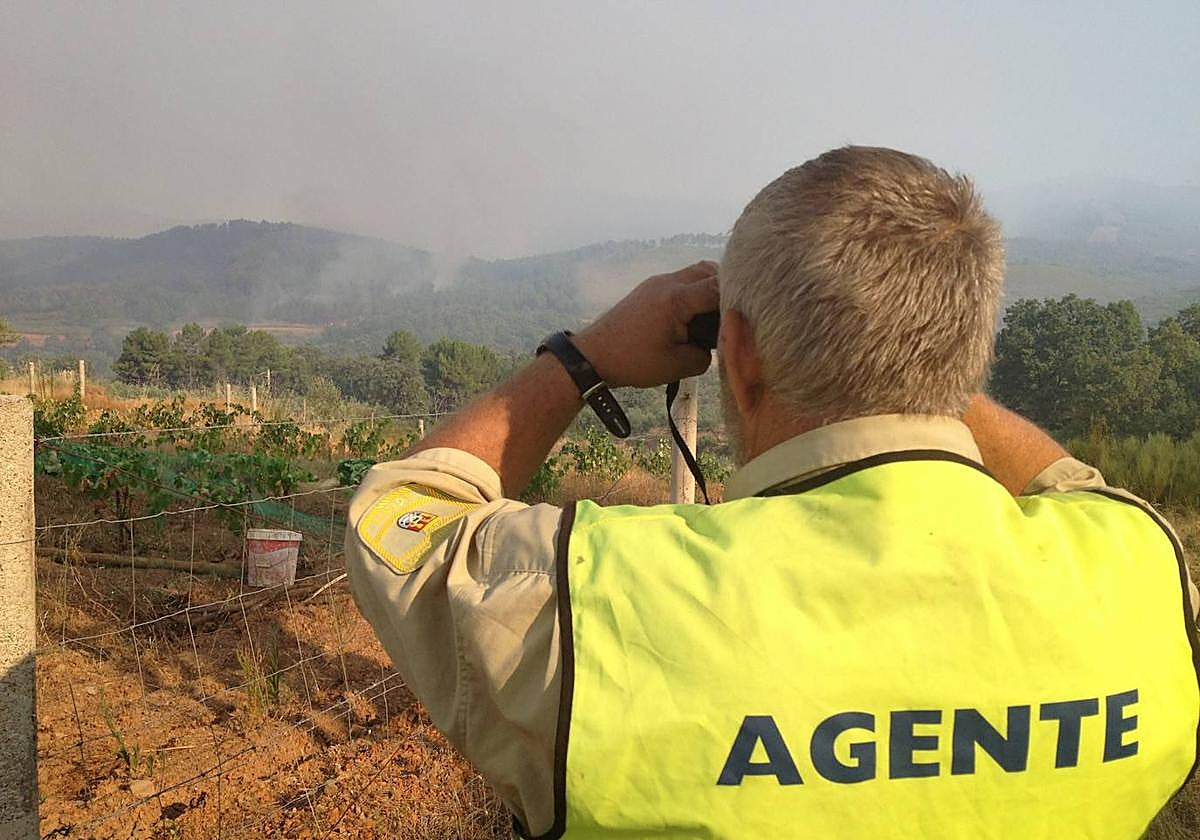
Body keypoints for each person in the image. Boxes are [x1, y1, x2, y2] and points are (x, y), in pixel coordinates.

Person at [345, 146, 1200, 839]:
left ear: (740, 355)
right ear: (965, 349)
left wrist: (583, 358)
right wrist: (920, 361)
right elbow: (1071, 485)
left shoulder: (613, 597)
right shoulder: (1140, 573)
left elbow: (402, 516)